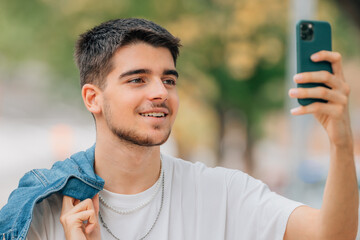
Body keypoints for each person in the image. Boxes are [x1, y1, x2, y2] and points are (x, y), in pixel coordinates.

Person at [0, 18, 357, 240]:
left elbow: (332, 234)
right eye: (138, 79)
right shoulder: (44, 211)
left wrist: (341, 141)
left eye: (168, 80)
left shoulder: (223, 193)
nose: (160, 92)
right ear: (93, 98)